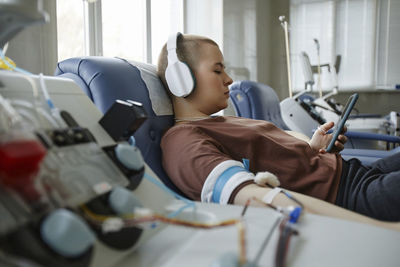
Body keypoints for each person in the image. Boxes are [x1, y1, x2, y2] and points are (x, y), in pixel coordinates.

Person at [157, 33, 400, 230]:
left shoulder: (220, 122)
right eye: (217, 70)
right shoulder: (182, 142)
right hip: (350, 197)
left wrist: (312, 149)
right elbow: (259, 200)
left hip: (353, 173)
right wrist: (381, 229)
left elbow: (272, 163)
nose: (229, 79)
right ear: (181, 79)